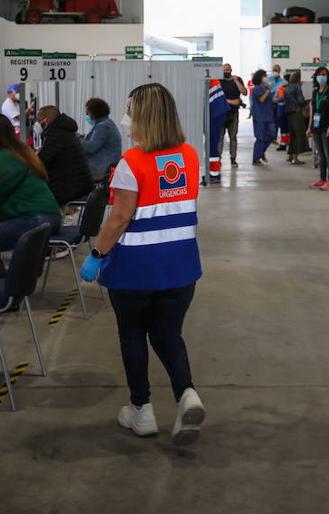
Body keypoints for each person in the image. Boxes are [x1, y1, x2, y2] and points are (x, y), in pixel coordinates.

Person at [84, 83, 205, 445]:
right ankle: (187, 394)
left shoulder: (131, 163)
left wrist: (96, 256)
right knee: (169, 334)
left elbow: (119, 218)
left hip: (135, 269)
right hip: (181, 266)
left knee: (133, 334)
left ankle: (142, 410)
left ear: (140, 116)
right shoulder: (189, 156)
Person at [0, 115, 61, 305]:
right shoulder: (19, 152)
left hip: (34, 218)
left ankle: (1, 289)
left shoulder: (1, 160)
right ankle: (6, 285)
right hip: (47, 216)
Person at [35, 105, 96, 205]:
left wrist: (27, 159)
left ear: (47, 120)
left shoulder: (55, 133)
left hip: (70, 189)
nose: (37, 124)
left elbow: (41, 160)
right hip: (80, 185)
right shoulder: (64, 130)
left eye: (39, 120)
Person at [308, 65, 329, 189]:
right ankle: (322, 179)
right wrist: (309, 126)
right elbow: (312, 110)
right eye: (320, 74)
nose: (322, 76)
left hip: (327, 126)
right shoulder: (315, 92)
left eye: (324, 74)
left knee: (328, 153)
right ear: (316, 77)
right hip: (316, 127)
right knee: (320, 154)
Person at [81, 97, 123, 180]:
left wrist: (76, 139)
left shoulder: (103, 126)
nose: (86, 114)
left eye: (88, 111)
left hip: (100, 172)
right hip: (105, 168)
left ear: (94, 112)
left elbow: (91, 147)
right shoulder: (106, 124)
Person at [250, 69, 277, 166]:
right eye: (264, 76)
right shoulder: (257, 88)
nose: (266, 77)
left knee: (272, 134)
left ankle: (261, 152)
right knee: (260, 138)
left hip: (269, 115)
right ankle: (256, 158)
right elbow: (261, 99)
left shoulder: (265, 87)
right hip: (259, 116)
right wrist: (268, 90)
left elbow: (271, 99)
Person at [220, 64, 246, 166]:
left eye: (228, 70)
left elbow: (244, 92)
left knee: (233, 137)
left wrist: (236, 81)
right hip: (221, 113)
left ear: (231, 70)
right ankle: (218, 159)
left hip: (233, 114)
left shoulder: (237, 79)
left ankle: (233, 158)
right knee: (220, 138)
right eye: (224, 70)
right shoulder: (219, 81)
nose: (226, 72)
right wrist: (232, 101)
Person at [284, 69, 310, 164]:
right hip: (296, 113)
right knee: (298, 136)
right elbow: (300, 101)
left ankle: (290, 156)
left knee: (292, 135)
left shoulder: (287, 87)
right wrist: (307, 102)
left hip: (288, 113)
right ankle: (295, 158)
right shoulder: (297, 87)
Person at [271, 66, 288, 150]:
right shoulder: (269, 80)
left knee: (280, 123)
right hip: (270, 104)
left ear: (279, 71)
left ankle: (283, 142)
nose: (275, 72)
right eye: (274, 70)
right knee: (272, 122)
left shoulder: (283, 82)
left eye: (277, 70)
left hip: (280, 105)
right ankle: (273, 138)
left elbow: (283, 95)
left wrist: (276, 98)